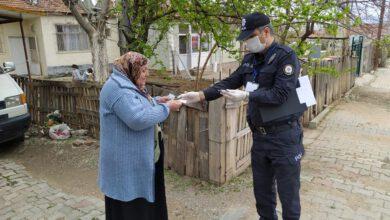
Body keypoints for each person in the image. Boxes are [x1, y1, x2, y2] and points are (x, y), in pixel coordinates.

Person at [179, 12, 304, 220]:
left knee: (289, 198)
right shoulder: (250, 60)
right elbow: (229, 81)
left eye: (250, 36)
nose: (247, 42)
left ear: (265, 32)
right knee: (263, 197)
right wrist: (201, 94)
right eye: (245, 38)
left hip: (284, 138)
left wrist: (247, 94)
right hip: (261, 138)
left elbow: (281, 94)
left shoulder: (285, 56)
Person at [99, 51, 182, 220]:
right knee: (131, 207)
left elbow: (137, 104)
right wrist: (167, 108)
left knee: (142, 204)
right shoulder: (117, 89)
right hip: (124, 165)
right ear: (131, 69)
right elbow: (137, 118)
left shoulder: (127, 83)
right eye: (143, 71)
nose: (147, 74)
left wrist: (157, 101)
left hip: (136, 161)